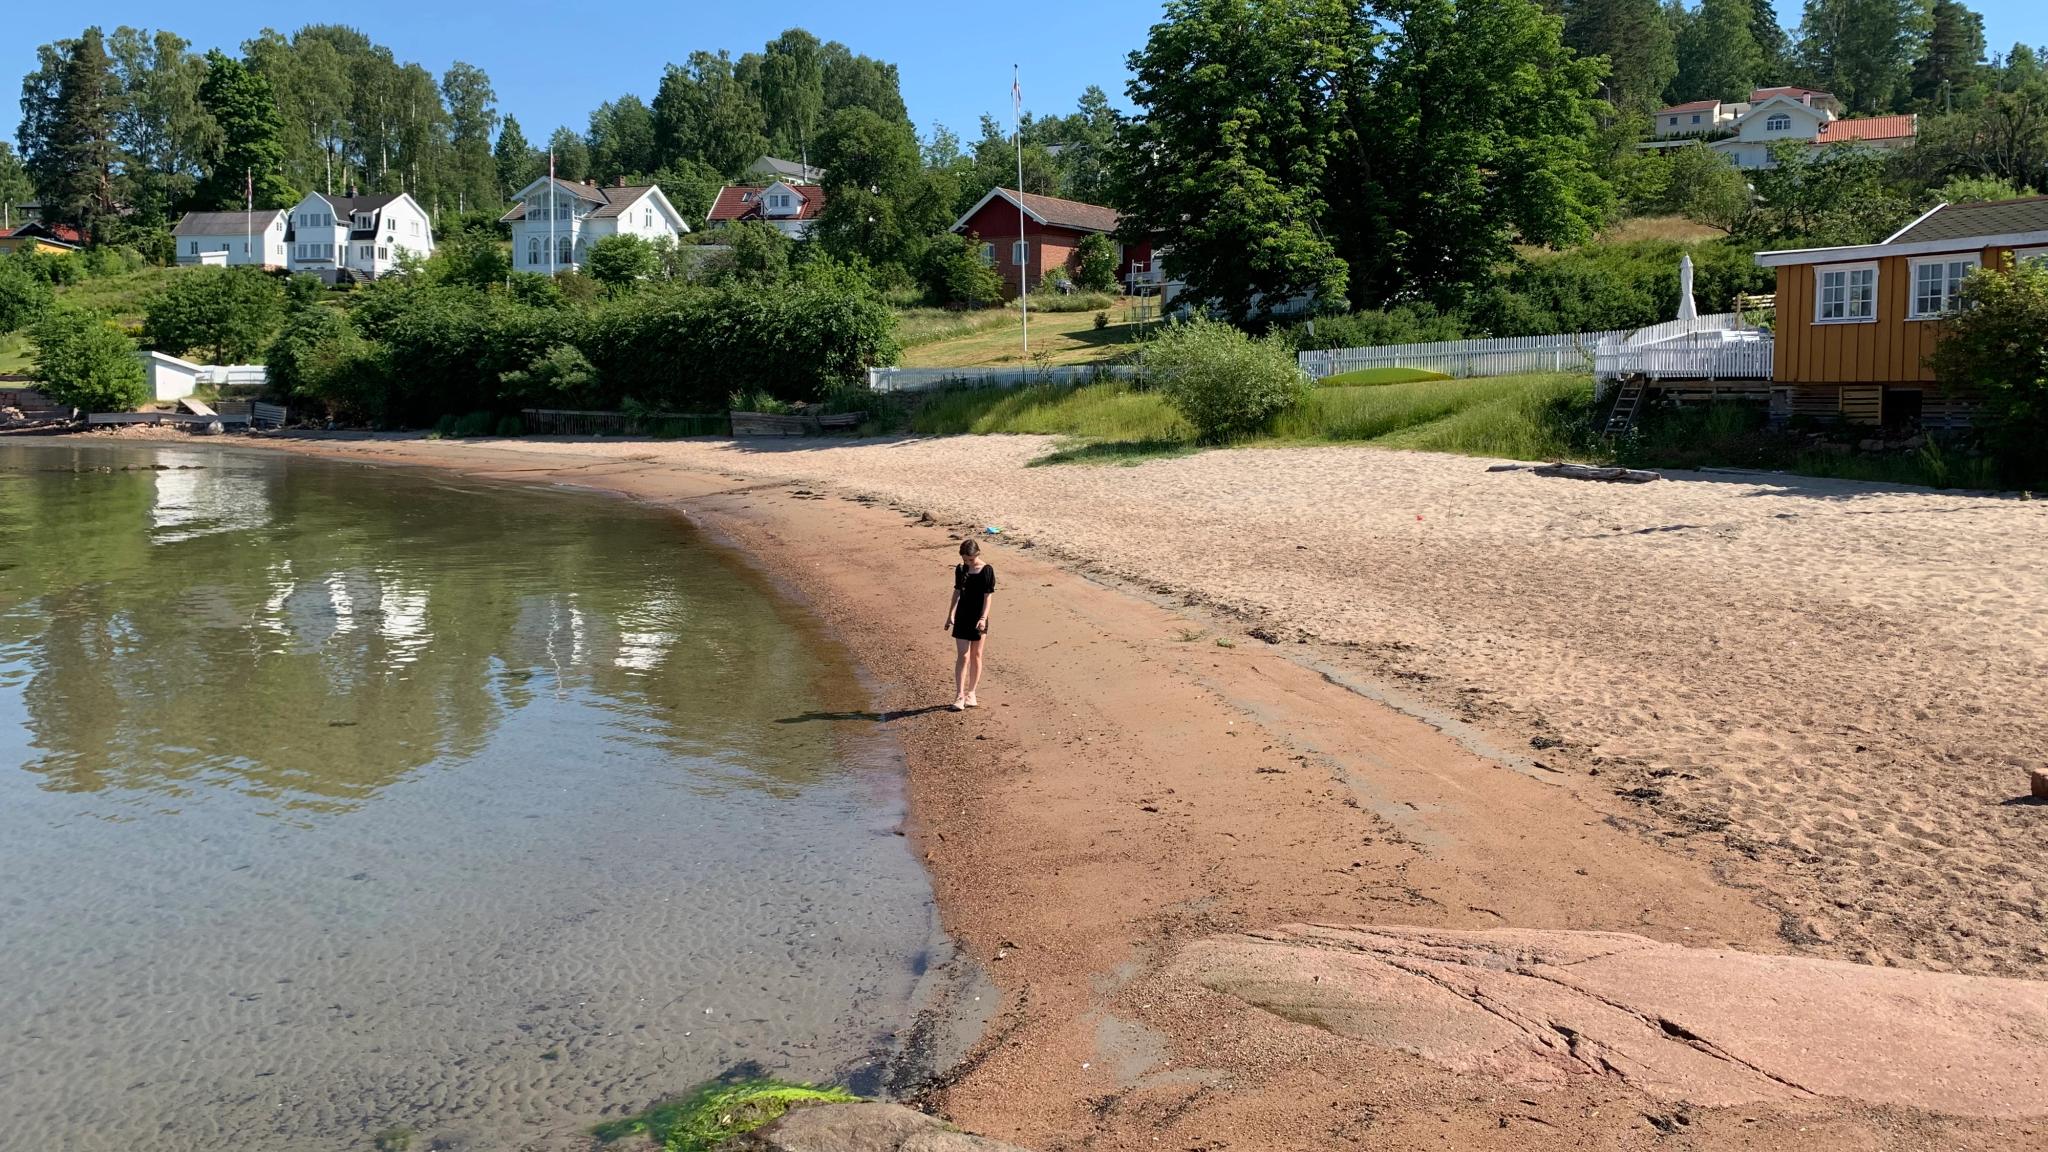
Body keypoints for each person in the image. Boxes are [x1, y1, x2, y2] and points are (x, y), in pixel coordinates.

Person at [945, 538, 995, 711]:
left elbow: (987, 597)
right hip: (962, 616)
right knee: (963, 656)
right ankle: (959, 695)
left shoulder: (987, 570)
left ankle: (971, 693)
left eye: (970, 560)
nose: (968, 563)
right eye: (965, 559)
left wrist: (983, 618)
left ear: (977, 554)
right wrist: (950, 614)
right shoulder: (960, 569)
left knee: (976, 655)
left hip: (979, 617)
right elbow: (957, 592)